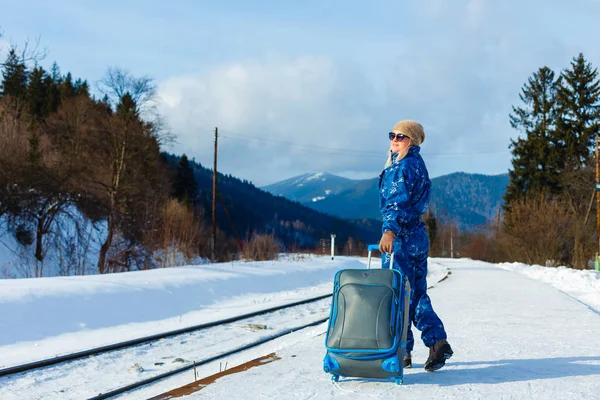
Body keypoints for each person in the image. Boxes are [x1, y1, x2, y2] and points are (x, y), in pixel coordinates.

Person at [377, 120, 453, 372]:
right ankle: (436, 341)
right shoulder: (418, 164)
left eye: (401, 136)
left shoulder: (402, 167)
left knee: (397, 295)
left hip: (401, 239)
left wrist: (389, 231)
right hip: (418, 237)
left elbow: (397, 203)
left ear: (412, 141)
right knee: (416, 293)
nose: (394, 140)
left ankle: (400, 351)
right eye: (392, 135)